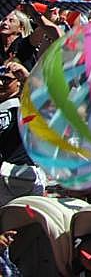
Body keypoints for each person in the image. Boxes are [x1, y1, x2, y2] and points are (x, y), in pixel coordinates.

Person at [0, 60, 42, 206]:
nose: (0, 83)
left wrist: (26, 76)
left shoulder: (24, 105)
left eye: (6, 80)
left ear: (18, 82)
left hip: (22, 177)